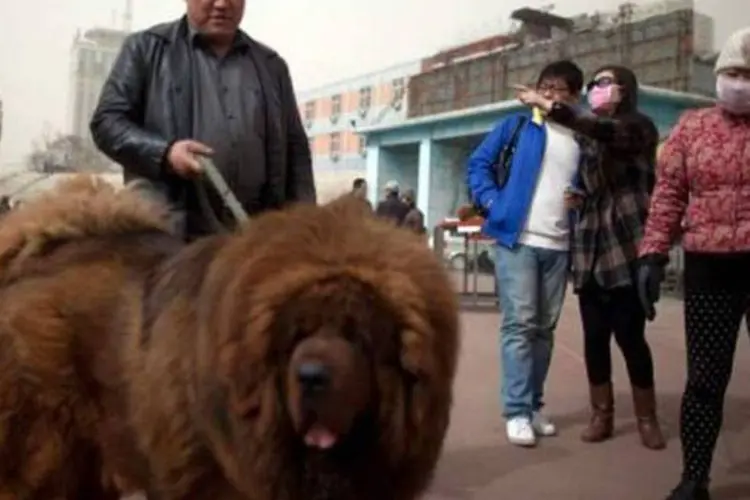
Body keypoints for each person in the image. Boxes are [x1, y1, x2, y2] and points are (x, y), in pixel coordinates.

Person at [514, 65, 666, 451]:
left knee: (630, 336)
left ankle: (647, 418)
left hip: (626, 244)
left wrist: (549, 105)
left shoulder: (638, 126)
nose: (596, 90)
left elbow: (607, 133)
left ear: (624, 89)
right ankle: (602, 415)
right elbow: (589, 180)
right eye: (594, 83)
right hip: (589, 245)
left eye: (603, 83)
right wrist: (579, 196)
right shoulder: (589, 138)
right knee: (594, 336)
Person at [90, 0, 315, 241]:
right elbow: (107, 122)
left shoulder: (272, 66)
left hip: (253, 240)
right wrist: (165, 153)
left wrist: (306, 227)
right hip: (170, 239)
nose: (221, 4)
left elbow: (296, 150)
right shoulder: (146, 49)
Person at [638, 27, 750, 500]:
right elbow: (668, 195)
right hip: (710, 268)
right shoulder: (692, 127)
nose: (740, 82)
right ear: (718, 76)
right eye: (733, 72)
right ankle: (695, 477)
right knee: (705, 377)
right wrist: (653, 252)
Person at [467, 60, 583, 447]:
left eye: (559, 89)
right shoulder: (516, 126)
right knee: (520, 323)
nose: (549, 94)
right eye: (544, 86)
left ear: (574, 96)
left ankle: (533, 405)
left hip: (559, 244)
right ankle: (516, 411)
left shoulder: (581, 137)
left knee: (544, 330)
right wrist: (492, 201)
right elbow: (478, 164)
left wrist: (579, 199)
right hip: (517, 240)